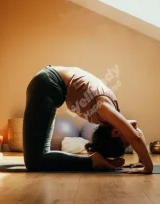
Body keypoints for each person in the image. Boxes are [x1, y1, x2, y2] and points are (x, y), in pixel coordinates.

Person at [23, 65, 153, 174]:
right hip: (47, 83)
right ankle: (93, 161)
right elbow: (135, 136)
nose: (129, 141)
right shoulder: (104, 108)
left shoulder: (110, 118)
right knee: (35, 162)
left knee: (38, 157)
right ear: (116, 133)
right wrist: (148, 167)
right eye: (127, 143)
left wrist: (142, 161)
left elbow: (135, 130)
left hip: (49, 84)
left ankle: (96, 161)